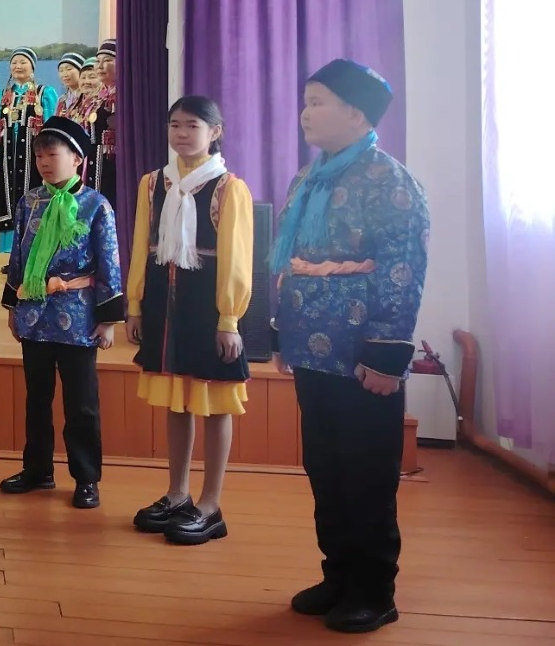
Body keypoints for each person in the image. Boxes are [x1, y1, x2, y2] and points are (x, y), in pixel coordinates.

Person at [272, 60, 428, 635]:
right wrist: (280, 331)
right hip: (312, 351)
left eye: (318, 102)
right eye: (305, 101)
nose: (305, 113)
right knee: (326, 466)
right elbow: (287, 263)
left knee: (367, 473)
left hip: (364, 355)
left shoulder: (390, 181)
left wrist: (387, 355)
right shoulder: (307, 179)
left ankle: (373, 590)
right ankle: (337, 574)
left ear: (357, 114)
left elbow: (403, 271)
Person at [124, 97, 252, 544]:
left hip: (207, 306)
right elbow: (141, 246)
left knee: (215, 403)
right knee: (177, 400)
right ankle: (177, 494)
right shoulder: (152, 183)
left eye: (192, 125)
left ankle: (211, 504)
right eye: (174, 124)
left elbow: (237, 259)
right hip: (164, 300)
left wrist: (229, 319)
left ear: (214, 132)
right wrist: (136, 304)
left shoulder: (228, 187)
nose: (181, 133)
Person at [0, 116, 123, 509]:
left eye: (52, 155)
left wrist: (108, 319)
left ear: (77, 158)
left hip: (78, 317)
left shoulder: (96, 205)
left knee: (81, 403)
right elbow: (18, 260)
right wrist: (13, 306)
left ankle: (86, 478)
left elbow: (109, 262)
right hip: (35, 313)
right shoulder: (29, 202)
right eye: (39, 157)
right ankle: (38, 470)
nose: (44, 163)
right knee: (36, 399)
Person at [0, 48, 59, 261]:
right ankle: (14, 257)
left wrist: (53, 159)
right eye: (14, 62)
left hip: (34, 160)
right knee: (8, 202)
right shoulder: (3, 96)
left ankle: (35, 257)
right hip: (7, 159)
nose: (18, 66)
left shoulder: (44, 94)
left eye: (23, 62)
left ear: (32, 66)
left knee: (35, 202)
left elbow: (52, 129)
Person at [92, 40, 119, 205]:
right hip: (96, 161)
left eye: (107, 60)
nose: (100, 66)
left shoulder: (125, 93)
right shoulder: (96, 95)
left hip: (115, 162)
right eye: (97, 61)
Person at [54, 52, 88, 122]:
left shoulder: (88, 98)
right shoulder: (62, 100)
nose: (64, 74)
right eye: (61, 70)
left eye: (69, 69)